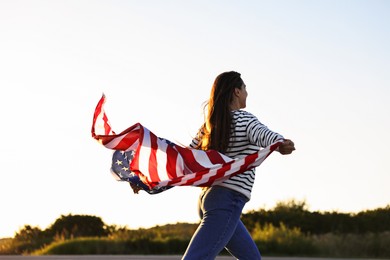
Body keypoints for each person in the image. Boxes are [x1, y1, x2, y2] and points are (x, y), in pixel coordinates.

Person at [182, 71, 295, 260]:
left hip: (209, 200)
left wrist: (147, 181)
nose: (247, 93)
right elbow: (263, 134)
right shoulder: (245, 119)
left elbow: (185, 158)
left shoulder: (210, 126)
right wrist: (280, 143)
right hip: (227, 200)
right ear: (236, 91)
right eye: (245, 89)